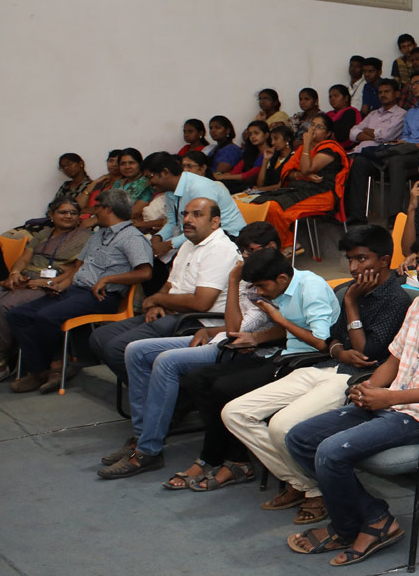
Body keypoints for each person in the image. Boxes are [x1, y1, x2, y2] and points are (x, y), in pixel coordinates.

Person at [284, 230, 419, 565]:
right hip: (393, 403)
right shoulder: (418, 304)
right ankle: (373, 518)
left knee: (331, 452)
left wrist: (390, 399)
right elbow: (394, 360)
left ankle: (353, 526)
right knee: (300, 438)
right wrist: (368, 389)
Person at [220, 225, 413, 522]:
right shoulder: (353, 288)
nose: (353, 267)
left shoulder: (395, 299)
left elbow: (368, 352)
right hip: (325, 366)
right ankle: (306, 484)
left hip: (357, 379)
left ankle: (314, 490)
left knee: (281, 426)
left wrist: (350, 304)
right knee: (234, 413)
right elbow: (330, 339)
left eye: (361, 259)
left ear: (385, 261)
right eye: (350, 259)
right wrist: (338, 350)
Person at [95, 222, 282, 480]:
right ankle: (141, 437)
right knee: (135, 351)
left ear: (271, 247)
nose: (244, 257)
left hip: (242, 349)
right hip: (222, 337)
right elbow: (232, 324)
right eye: (243, 252)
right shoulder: (246, 278)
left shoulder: (274, 281)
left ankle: (148, 450)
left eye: (250, 251)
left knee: (166, 361)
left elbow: (239, 330)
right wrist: (212, 329)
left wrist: (232, 281)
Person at [161, 246, 340, 492]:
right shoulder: (283, 287)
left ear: (281, 278)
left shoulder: (311, 287)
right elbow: (289, 329)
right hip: (284, 354)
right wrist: (256, 338)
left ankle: (233, 461)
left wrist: (278, 318)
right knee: (197, 379)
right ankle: (218, 456)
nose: (259, 292)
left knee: (224, 388)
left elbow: (321, 341)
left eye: (262, 286)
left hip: (308, 362)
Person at [7, 191, 152, 393]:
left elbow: (145, 273)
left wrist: (108, 279)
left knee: (46, 316)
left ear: (108, 209)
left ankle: (55, 367)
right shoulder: (99, 234)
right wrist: (58, 285)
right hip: (76, 289)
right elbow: (78, 267)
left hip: (103, 296)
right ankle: (41, 371)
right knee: (18, 314)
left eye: (97, 207)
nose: (93, 212)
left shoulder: (132, 237)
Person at [85, 198, 238, 384]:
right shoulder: (189, 244)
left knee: (117, 348)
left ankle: (164, 394)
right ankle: (154, 389)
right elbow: (170, 284)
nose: (188, 219)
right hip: (173, 312)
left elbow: (201, 303)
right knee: (99, 338)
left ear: (214, 222)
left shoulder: (220, 249)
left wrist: (158, 299)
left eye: (197, 215)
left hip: (197, 321)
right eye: (185, 214)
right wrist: (158, 303)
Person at [344, 69, 419, 223]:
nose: (414, 87)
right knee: (360, 161)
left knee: (396, 159)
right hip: (405, 151)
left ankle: (395, 216)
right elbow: (406, 137)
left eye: (418, 83)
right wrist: (404, 144)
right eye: (412, 84)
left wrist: (413, 145)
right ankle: (357, 216)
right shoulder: (411, 113)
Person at [0, 200, 90, 381]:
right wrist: (15, 273)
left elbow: (77, 269)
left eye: (73, 213)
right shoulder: (44, 234)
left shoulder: (86, 238)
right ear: (51, 215)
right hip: (26, 279)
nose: (68, 216)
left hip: (53, 285)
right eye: (63, 212)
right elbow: (24, 259)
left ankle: (2, 360)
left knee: (4, 305)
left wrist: (46, 282)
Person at [251, 114, 349, 245]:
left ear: (328, 134)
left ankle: (287, 245)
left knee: (274, 207)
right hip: (300, 189)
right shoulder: (303, 149)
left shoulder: (330, 148)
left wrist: (306, 143)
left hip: (322, 194)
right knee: (259, 203)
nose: (313, 129)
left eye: (319, 127)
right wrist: (302, 175)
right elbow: (287, 173)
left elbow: (307, 168)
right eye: (312, 125)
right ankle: (267, 245)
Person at [349, 78, 405, 153]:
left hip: (378, 155)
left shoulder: (401, 114)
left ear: (397, 94)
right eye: (380, 92)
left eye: (387, 91)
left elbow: (385, 136)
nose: (382, 95)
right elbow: (352, 133)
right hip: (357, 151)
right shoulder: (373, 113)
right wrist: (375, 137)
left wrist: (365, 129)